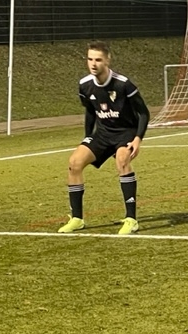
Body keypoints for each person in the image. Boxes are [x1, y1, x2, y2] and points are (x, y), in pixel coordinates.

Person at [58, 40, 150, 235]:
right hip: (102, 134)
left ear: (107, 60)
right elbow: (90, 112)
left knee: (122, 160)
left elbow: (143, 113)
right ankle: (77, 219)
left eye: (98, 60)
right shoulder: (84, 85)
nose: (93, 63)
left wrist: (137, 138)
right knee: (74, 162)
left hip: (125, 132)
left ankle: (131, 219)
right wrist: (86, 139)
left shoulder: (123, 84)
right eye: (90, 59)